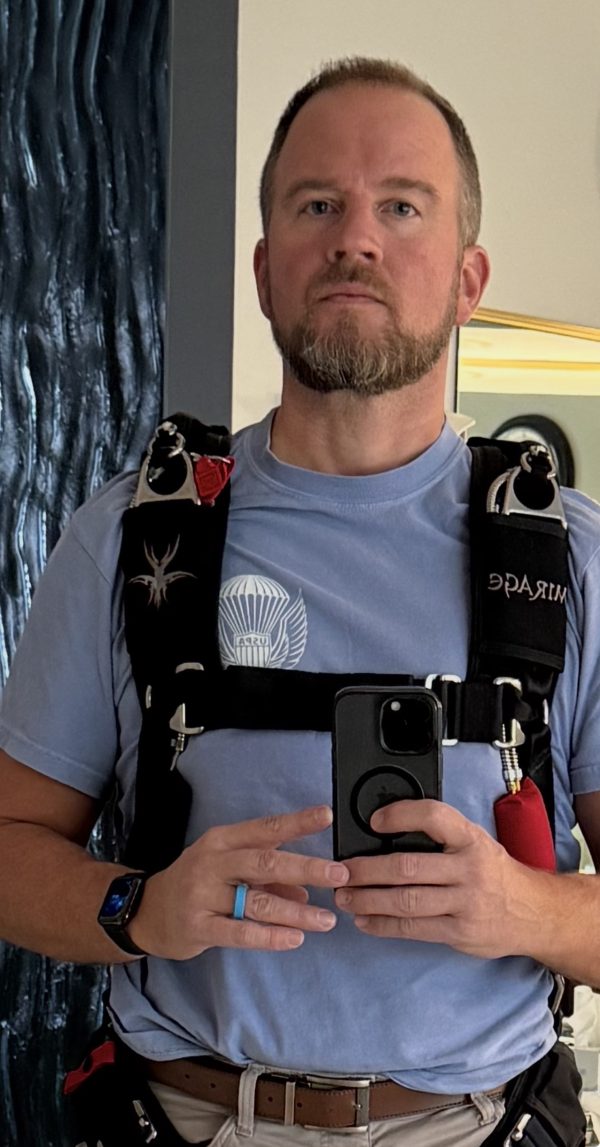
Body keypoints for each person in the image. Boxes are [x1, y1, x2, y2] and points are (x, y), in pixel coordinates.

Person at [0, 56, 597, 1147]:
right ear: (267, 269)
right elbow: (9, 843)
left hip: (477, 1124)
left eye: (401, 206)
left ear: (468, 279)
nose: (356, 239)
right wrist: (142, 907)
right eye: (317, 204)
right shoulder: (134, 536)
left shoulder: (568, 559)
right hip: (182, 1117)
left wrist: (528, 910)